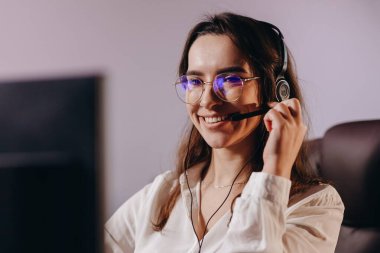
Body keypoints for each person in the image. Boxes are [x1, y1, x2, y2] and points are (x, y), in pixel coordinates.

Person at [104, 12, 344, 253]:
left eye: (230, 79)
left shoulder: (315, 205)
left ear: (275, 90)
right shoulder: (161, 194)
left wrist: (275, 170)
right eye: (195, 82)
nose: (207, 101)